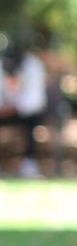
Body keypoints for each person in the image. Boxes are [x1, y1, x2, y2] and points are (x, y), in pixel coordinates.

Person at [0, 42, 48, 178]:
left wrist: (16, 108)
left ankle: (29, 162)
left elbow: (35, 100)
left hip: (29, 112)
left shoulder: (34, 67)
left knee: (31, 125)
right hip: (5, 110)